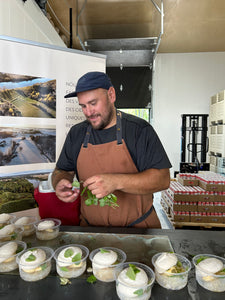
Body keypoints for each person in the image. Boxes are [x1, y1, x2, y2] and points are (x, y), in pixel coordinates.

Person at [52, 71, 172, 228]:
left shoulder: (139, 130)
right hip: (90, 231)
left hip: (138, 230)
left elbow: (162, 179)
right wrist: (60, 182)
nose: (88, 112)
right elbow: (62, 171)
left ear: (111, 95)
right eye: (83, 106)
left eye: (93, 103)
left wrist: (116, 181)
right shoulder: (77, 133)